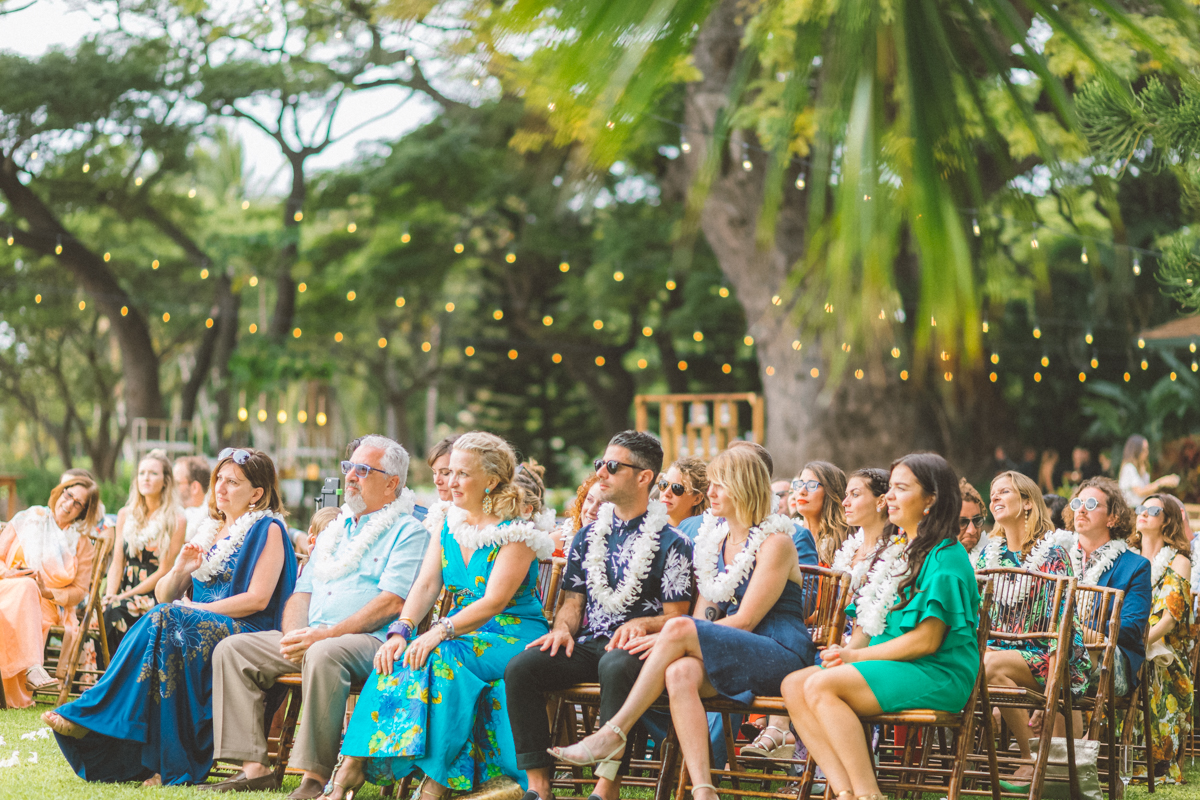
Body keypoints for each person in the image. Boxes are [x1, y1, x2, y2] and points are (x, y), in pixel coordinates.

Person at [548, 447, 815, 800]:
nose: (711, 494)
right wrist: (671, 634)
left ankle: (614, 730)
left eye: (721, 485)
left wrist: (668, 635)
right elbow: (704, 617)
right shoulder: (714, 542)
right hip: (733, 650)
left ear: (745, 488)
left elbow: (746, 620)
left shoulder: (776, 543)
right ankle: (702, 790)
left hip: (779, 652)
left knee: (677, 630)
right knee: (679, 673)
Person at [44, 448, 296, 786]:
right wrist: (180, 569)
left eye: (233, 482)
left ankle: (95, 711)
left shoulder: (269, 529)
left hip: (245, 631)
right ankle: (158, 760)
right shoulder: (210, 530)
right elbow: (164, 596)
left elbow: (258, 598)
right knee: (165, 621)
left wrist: (198, 609)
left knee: (169, 621)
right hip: (194, 626)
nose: (220, 487)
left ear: (257, 493)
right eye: (218, 479)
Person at [324, 432, 554, 799]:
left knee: (441, 655)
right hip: (464, 633)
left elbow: (494, 602)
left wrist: (439, 632)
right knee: (399, 653)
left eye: (462, 474)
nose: (450, 481)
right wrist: (402, 630)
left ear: (491, 481)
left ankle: (434, 784)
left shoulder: (517, 531)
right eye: (449, 472)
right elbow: (427, 584)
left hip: (513, 635)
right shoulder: (448, 521)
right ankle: (351, 766)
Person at [204, 435, 430, 798]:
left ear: (392, 483)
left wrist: (323, 637)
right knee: (233, 650)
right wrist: (294, 635)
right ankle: (255, 768)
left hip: (371, 641)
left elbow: (391, 603)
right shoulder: (335, 531)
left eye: (363, 470)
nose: (351, 476)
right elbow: (301, 593)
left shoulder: (409, 532)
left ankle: (314, 776)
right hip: (315, 635)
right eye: (348, 468)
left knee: (324, 654)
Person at [504, 431, 694, 800]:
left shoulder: (674, 543)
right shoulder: (588, 536)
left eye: (611, 466)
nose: (599, 475)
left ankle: (606, 787)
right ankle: (539, 787)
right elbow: (572, 603)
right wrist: (561, 630)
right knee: (522, 668)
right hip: (592, 643)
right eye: (598, 465)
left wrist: (641, 622)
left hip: (640, 650)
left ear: (644, 477)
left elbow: (677, 617)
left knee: (616, 665)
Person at [780, 453, 981, 800]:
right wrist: (848, 652)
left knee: (821, 688)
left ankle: (868, 794)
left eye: (900, 488)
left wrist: (857, 657)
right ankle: (844, 791)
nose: (889, 496)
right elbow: (869, 620)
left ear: (931, 499)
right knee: (794, 685)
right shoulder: (900, 550)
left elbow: (927, 640)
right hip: (892, 661)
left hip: (936, 670)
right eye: (891, 488)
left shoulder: (946, 555)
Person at [975, 471, 1089, 789]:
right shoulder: (989, 555)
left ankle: (1036, 760)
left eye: (1004, 492)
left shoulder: (1052, 556)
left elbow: (1066, 625)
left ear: (1027, 502)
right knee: (986, 664)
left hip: (1050, 654)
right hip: (1000, 653)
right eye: (992, 492)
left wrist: (1055, 679)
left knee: (988, 663)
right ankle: (1029, 758)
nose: (994, 497)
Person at [0, 476, 101, 707]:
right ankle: (32, 669)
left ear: (83, 512)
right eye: (69, 495)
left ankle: (16, 682)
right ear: (61, 491)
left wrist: (47, 592)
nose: (68, 504)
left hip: (47, 603)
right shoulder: (29, 518)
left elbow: (78, 591)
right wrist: (9, 574)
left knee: (28, 590)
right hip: (5, 586)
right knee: (25, 585)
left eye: (78, 503)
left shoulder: (81, 545)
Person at [1128, 495, 1194, 783]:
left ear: (1167, 520)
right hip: (1129, 641)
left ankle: (1156, 762)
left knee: (1151, 662)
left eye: (1152, 510)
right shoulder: (1127, 557)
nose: (1142, 514)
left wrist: (1136, 646)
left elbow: (1169, 619)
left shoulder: (1179, 561)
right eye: (1140, 509)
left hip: (1165, 650)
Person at [1067, 477, 1152, 700]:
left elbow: (1132, 627)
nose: (1081, 510)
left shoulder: (1136, 566)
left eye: (1092, 504)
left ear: (1113, 518)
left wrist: (1079, 630)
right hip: (1059, 647)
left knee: (1059, 657)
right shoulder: (1060, 558)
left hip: (1112, 658)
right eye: (1077, 504)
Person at [103, 450, 187, 651]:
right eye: (141, 473)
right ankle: (99, 677)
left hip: (153, 594)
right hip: (123, 590)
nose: (146, 478)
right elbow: (117, 562)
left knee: (115, 612)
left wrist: (122, 598)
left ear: (166, 481)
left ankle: (116, 678)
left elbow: (164, 571)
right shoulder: (125, 514)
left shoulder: (176, 520)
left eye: (153, 473)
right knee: (104, 609)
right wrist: (110, 595)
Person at [790, 461, 849, 565]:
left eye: (812, 485)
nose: (802, 491)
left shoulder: (847, 543)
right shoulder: (786, 534)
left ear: (830, 492)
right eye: (800, 484)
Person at [1118, 435, 1179, 507]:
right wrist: (1162, 482)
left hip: (1140, 508)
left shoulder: (1143, 468)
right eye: (1143, 450)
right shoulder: (1129, 467)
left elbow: (1146, 493)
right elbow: (1140, 492)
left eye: (1147, 449)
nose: (1146, 452)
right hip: (1130, 510)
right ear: (1136, 450)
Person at [663, 456, 711, 538]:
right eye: (664, 484)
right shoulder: (646, 524)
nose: (666, 493)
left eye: (677, 488)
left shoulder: (705, 536)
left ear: (697, 499)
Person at [175, 455, 214, 542]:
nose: (172, 488)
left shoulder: (212, 521)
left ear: (194, 487)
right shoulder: (180, 514)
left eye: (177, 483)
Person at [958, 479, 988, 562]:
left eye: (977, 520)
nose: (972, 530)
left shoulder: (996, 555)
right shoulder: (928, 560)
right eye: (962, 522)